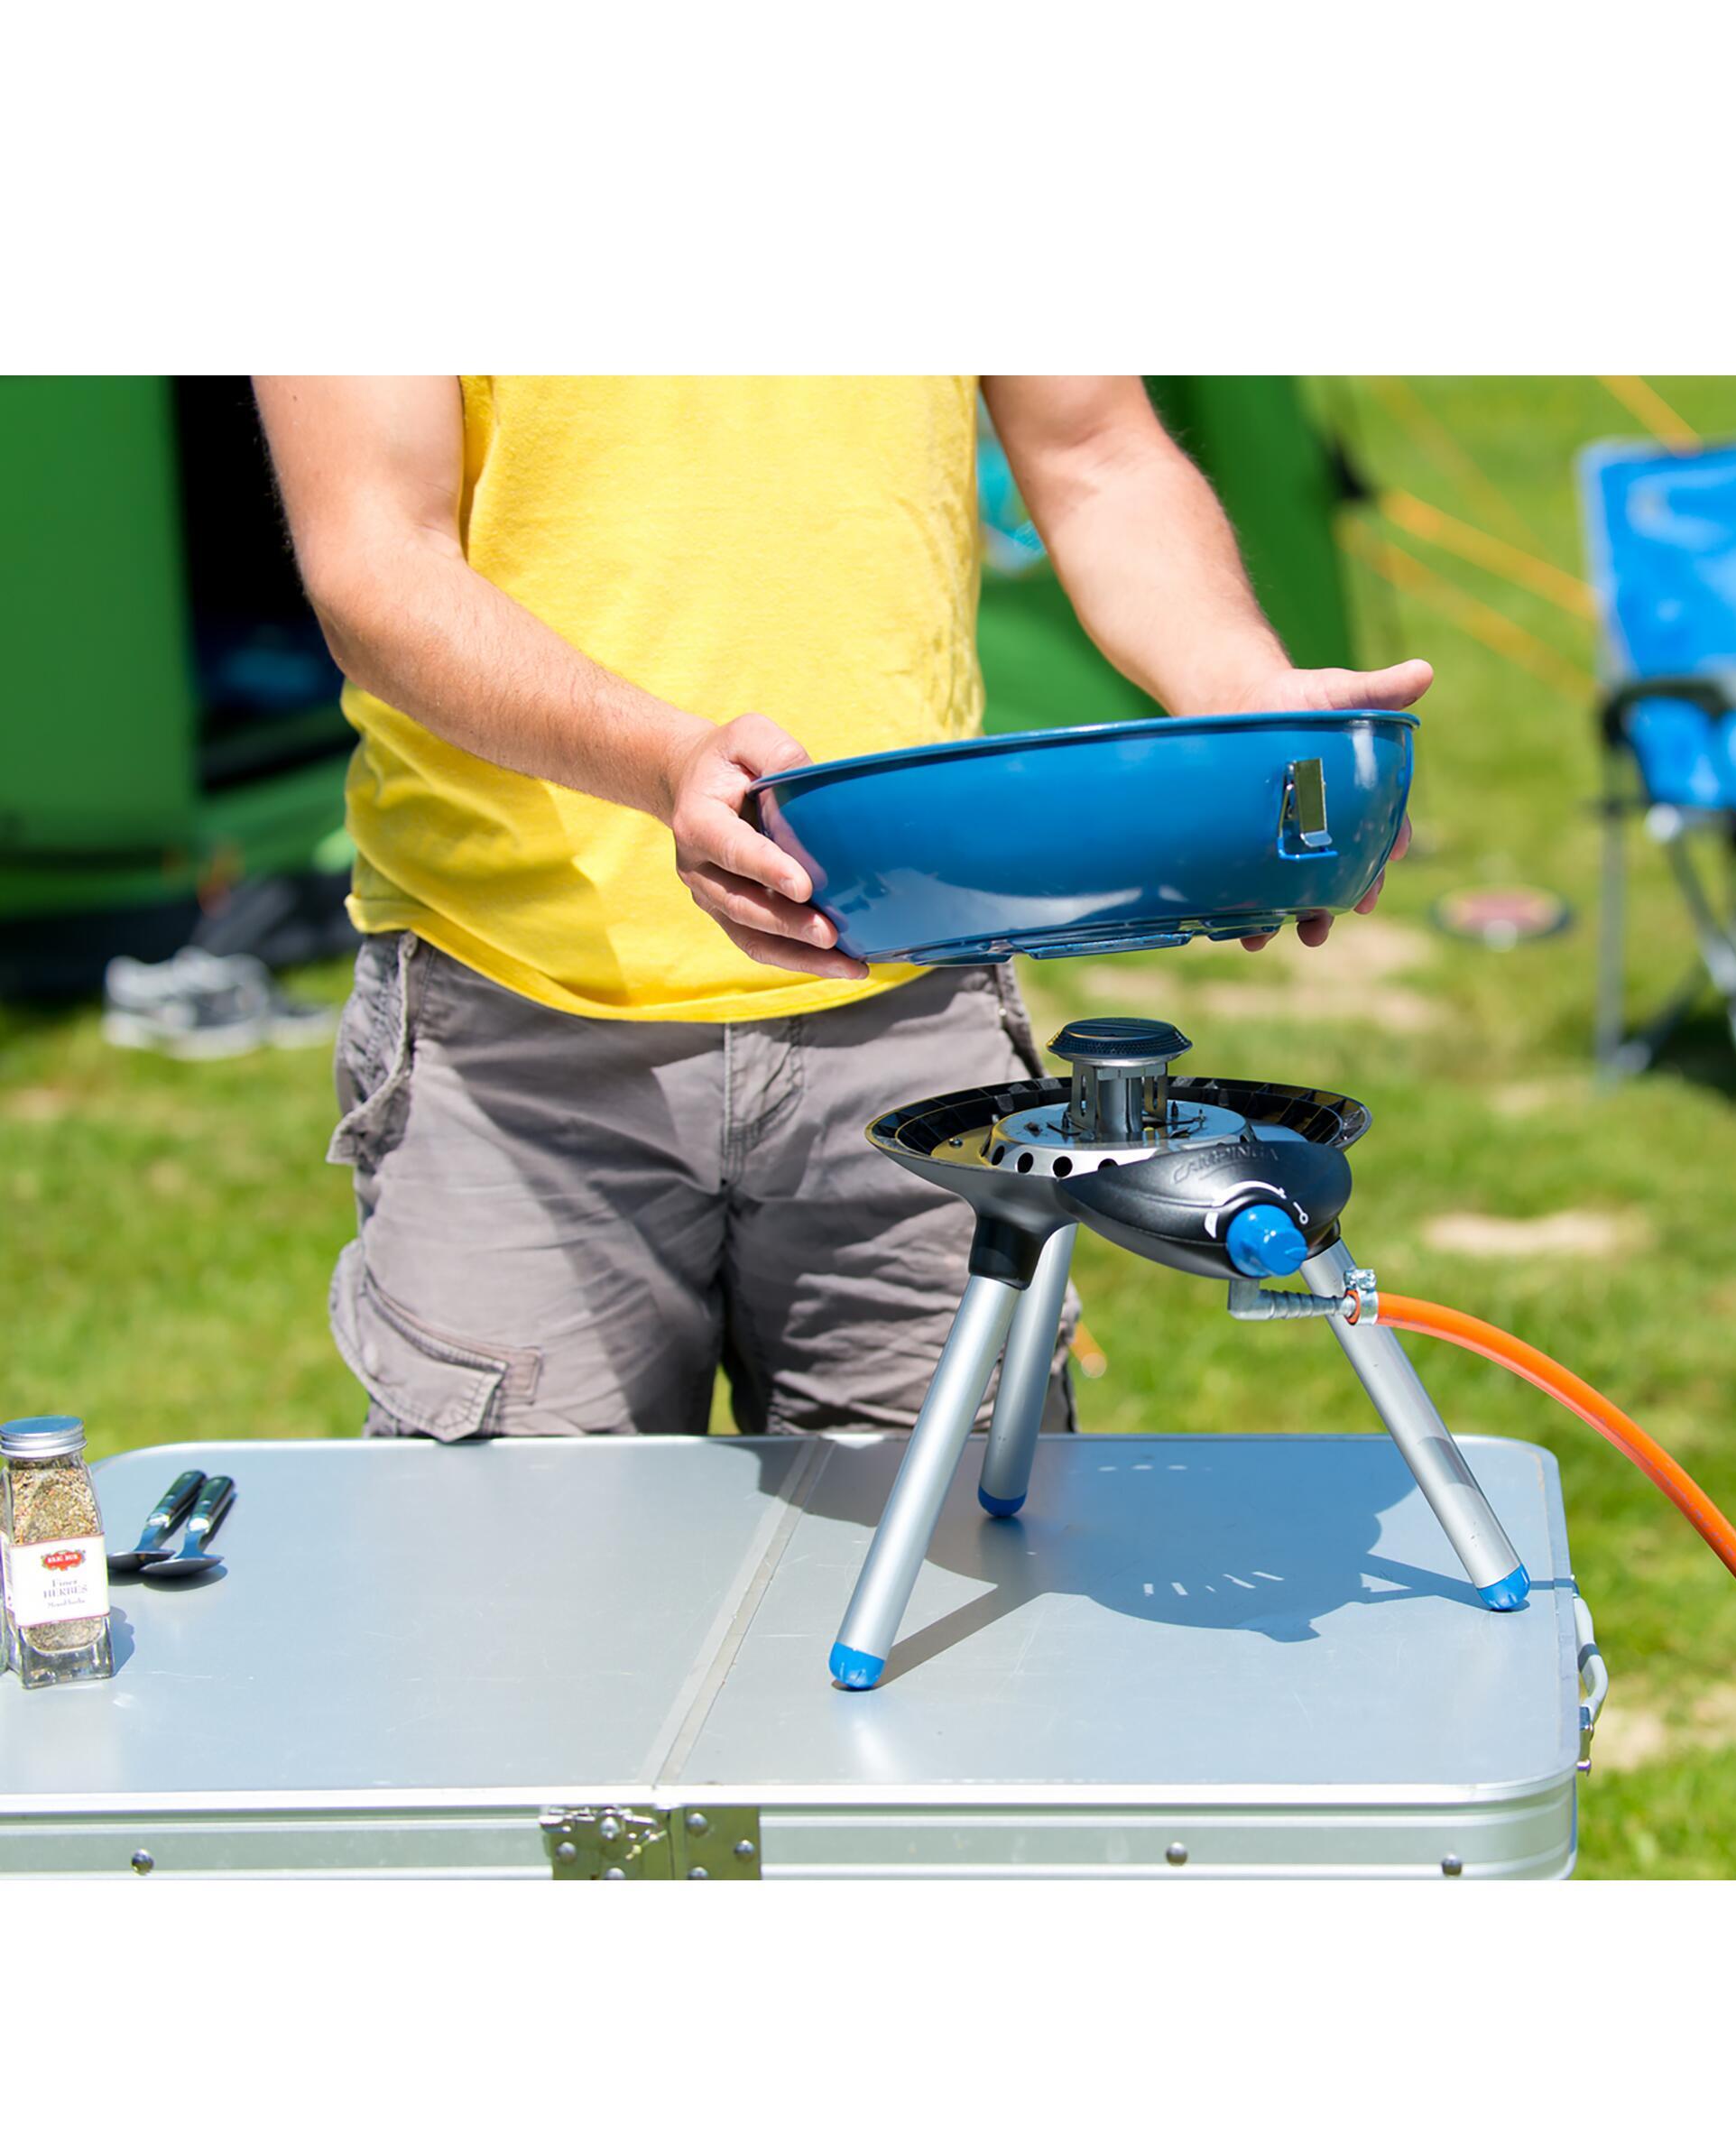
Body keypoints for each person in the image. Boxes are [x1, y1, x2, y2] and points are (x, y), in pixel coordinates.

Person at [254, 376, 1426, 1441]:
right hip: (517, 1035)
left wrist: (1243, 689)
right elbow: (377, 560)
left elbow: (1096, 455)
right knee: (526, 1598)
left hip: (914, 1009)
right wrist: (664, 765)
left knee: (962, 1585)